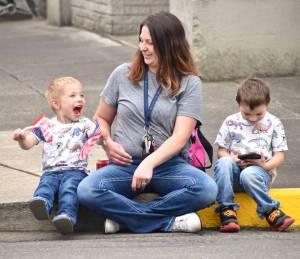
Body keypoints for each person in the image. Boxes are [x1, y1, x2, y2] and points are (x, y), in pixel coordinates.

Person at [77, 11, 218, 234]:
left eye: (150, 43)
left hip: (169, 166)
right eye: (141, 41)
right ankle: (168, 222)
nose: (143, 47)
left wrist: (149, 163)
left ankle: (126, 219)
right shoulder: (122, 74)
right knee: (87, 190)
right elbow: (101, 118)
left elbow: (181, 137)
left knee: (206, 189)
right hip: (125, 165)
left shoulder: (189, 83)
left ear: (169, 45)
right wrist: (107, 143)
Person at [12, 76, 98, 234]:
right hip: (51, 171)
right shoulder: (46, 125)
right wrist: (22, 139)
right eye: (73, 96)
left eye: (82, 95)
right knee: (46, 186)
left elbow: (98, 137)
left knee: (69, 189)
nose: (79, 99)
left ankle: (67, 216)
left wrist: (102, 136)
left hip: (75, 170)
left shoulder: (85, 124)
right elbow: (29, 143)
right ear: (56, 104)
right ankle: (42, 204)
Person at [213, 78, 295, 232]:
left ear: (268, 103)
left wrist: (264, 165)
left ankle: (271, 211)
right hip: (235, 176)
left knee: (249, 173)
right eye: (246, 114)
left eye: (259, 114)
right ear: (238, 103)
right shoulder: (230, 121)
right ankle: (227, 210)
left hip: (259, 176)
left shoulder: (274, 123)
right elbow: (221, 151)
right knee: (223, 162)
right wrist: (231, 159)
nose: (252, 119)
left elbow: (279, 156)